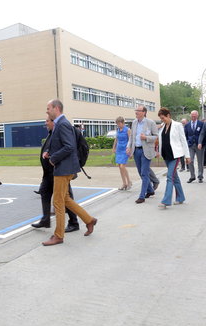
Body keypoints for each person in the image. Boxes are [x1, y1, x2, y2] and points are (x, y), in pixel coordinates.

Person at [41, 99, 98, 246]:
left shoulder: (63, 124)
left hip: (63, 168)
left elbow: (69, 147)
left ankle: (58, 235)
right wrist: (49, 152)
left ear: (56, 108)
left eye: (48, 108)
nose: (47, 111)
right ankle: (89, 220)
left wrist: (53, 158)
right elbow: (61, 144)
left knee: (58, 202)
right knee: (65, 199)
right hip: (64, 167)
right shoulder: (60, 124)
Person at [31, 118, 80, 232]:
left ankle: (74, 222)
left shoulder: (61, 130)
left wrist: (52, 157)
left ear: (54, 122)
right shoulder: (51, 133)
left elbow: (67, 148)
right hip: (49, 172)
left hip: (60, 171)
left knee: (65, 198)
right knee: (44, 192)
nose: (45, 123)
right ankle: (45, 219)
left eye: (47, 121)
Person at [157, 108, 190, 209]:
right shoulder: (162, 126)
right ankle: (180, 197)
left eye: (163, 118)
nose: (162, 120)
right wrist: (158, 152)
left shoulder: (177, 125)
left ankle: (166, 200)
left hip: (175, 156)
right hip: (166, 155)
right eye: (161, 118)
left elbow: (183, 141)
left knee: (169, 177)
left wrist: (187, 156)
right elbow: (161, 140)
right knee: (174, 177)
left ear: (168, 115)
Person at [126, 105, 158, 203]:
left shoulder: (150, 122)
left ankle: (142, 196)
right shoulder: (134, 122)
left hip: (146, 151)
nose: (136, 112)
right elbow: (131, 137)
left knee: (144, 173)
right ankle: (150, 190)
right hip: (136, 150)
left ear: (144, 112)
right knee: (141, 172)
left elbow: (156, 137)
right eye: (136, 110)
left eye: (138, 111)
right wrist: (128, 147)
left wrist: (146, 137)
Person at [184, 110, 204, 183]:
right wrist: (186, 143)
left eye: (195, 115)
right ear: (190, 115)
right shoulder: (187, 125)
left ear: (197, 116)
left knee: (200, 161)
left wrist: (201, 143)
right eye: (192, 115)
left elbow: (203, 134)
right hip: (190, 145)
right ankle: (192, 176)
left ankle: (200, 176)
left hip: (199, 145)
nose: (193, 116)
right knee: (190, 160)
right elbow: (185, 135)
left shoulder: (201, 124)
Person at [112, 116, 132, 190]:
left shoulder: (127, 130)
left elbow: (130, 140)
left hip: (125, 150)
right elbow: (116, 139)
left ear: (123, 123)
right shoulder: (118, 129)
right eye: (117, 124)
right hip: (119, 150)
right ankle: (124, 183)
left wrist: (130, 150)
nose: (118, 125)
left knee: (122, 166)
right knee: (119, 167)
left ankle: (129, 181)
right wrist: (114, 148)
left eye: (119, 123)